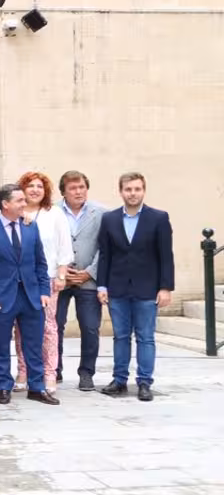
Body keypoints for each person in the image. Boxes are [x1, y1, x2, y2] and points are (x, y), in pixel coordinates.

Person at [0, 184, 57, 406]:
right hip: (2, 298)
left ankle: (37, 387)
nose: (24, 204)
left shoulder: (31, 227)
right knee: (1, 345)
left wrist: (44, 291)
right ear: (5, 204)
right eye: (19, 200)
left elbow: (41, 263)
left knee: (34, 345)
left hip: (31, 297)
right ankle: (4, 386)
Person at [97, 172, 174, 402]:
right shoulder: (109, 219)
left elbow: (166, 256)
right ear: (121, 191)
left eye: (137, 189)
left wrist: (165, 287)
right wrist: (101, 285)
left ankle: (144, 382)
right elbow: (105, 255)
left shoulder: (159, 218)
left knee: (145, 337)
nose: (133, 193)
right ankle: (119, 380)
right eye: (128, 189)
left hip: (147, 288)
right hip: (117, 287)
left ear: (144, 190)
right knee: (120, 336)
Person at [14, 171, 73, 394]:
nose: (35, 190)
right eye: (30, 186)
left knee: (48, 327)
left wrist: (61, 276)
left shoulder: (54, 213)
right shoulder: (14, 213)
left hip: (46, 279)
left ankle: (49, 373)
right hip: (20, 280)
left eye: (39, 186)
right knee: (20, 327)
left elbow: (64, 247)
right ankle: (23, 370)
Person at [55, 170, 105, 390]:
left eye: (82, 187)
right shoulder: (52, 212)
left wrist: (90, 272)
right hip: (60, 280)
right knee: (55, 325)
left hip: (88, 279)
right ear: (63, 192)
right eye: (73, 188)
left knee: (90, 327)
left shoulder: (102, 213)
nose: (78, 192)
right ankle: (54, 369)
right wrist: (61, 271)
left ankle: (86, 373)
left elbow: (106, 248)